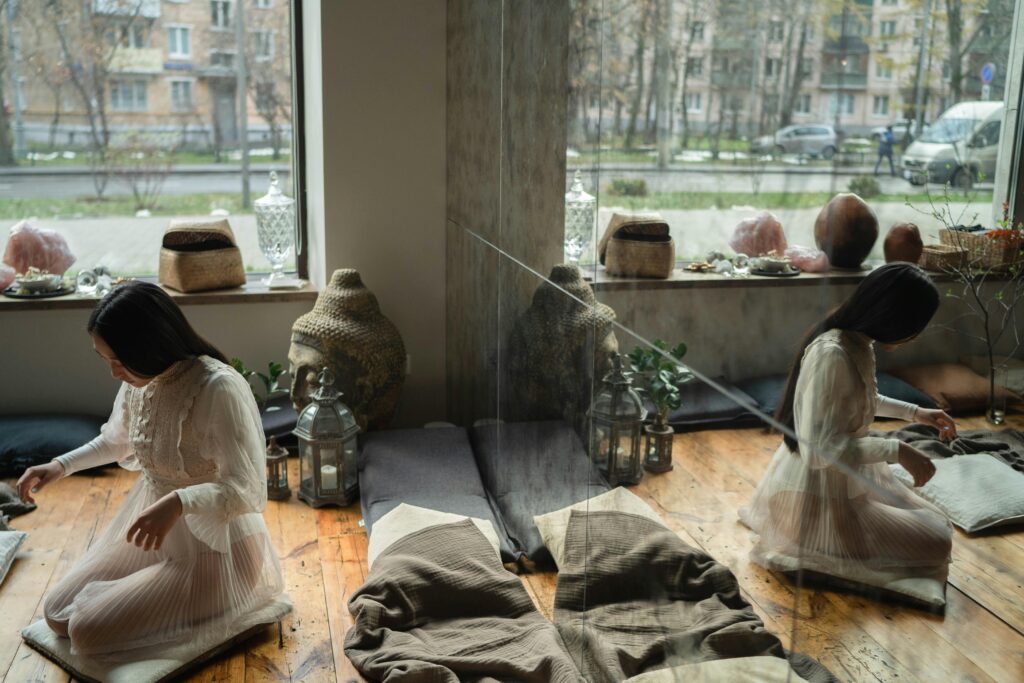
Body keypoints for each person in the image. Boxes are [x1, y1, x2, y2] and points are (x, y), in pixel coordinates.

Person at [17, 282, 285, 657]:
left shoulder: (217, 387)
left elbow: (248, 490)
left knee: (86, 631)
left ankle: (200, 599)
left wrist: (179, 501)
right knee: (57, 614)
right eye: (105, 359)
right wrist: (60, 466)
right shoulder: (142, 379)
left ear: (149, 346)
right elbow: (117, 441)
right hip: (155, 534)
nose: (113, 373)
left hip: (218, 550)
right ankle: (145, 591)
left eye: (118, 361)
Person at [740, 263, 954, 585]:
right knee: (938, 541)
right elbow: (818, 451)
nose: (915, 337)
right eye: (915, 326)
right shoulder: (832, 354)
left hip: (843, 484)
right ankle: (808, 539)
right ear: (893, 315)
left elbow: (860, 398)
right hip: (811, 501)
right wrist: (897, 450)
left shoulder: (859, 341)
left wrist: (916, 413)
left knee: (938, 524)